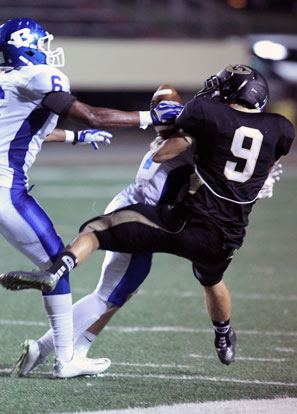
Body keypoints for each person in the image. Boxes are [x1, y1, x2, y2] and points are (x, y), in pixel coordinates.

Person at [1, 64, 294, 370]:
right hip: (147, 213)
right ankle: (54, 349)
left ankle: (62, 350)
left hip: (136, 203)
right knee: (110, 295)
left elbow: (167, 98)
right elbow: (166, 122)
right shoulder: (208, 130)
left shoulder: (207, 124)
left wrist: (175, 117)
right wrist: (175, 119)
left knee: (117, 293)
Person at [0, 17, 181, 378]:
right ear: (27, 45)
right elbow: (94, 115)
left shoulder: (8, 81)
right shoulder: (38, 77)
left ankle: (59, 353)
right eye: (42, 42)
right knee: (56, 267)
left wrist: (74, 139)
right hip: (6, 189)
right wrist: (148, 117)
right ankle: (66, 359)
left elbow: (26, 132)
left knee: (55, 266)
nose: (49, 50)